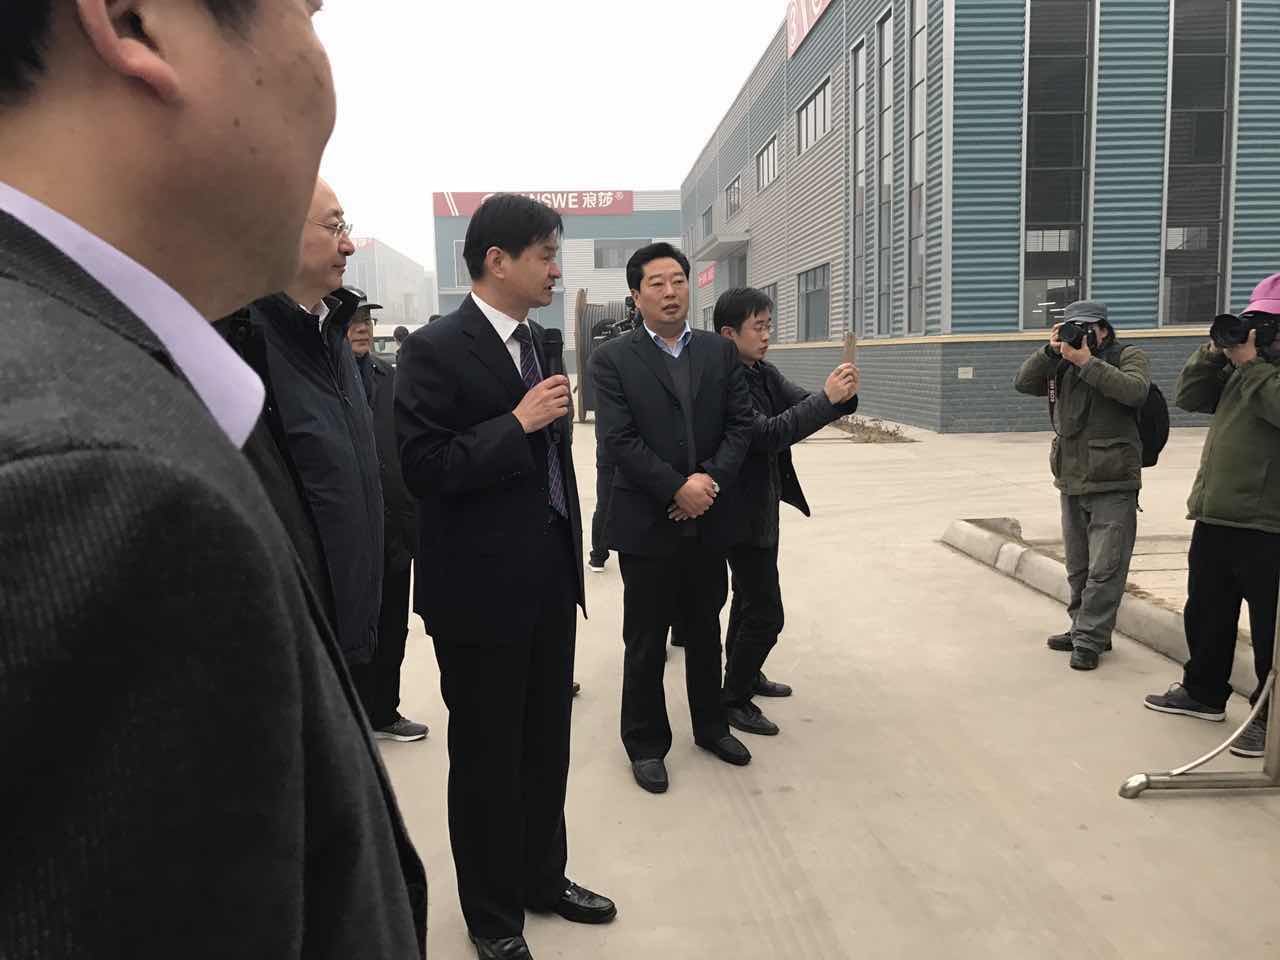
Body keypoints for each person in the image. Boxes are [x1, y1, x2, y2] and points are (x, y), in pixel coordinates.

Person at [0, 4, 426, 958]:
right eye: (306, 13)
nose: (323, 72)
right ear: (135, 23)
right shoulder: (90, 486)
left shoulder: (98, 373)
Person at [396, 194, 614, 960]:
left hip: (548, 576)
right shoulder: (434, 349)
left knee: (546, 746)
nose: (557, 270)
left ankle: (542, 879)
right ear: (497, 259)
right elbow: (422, 467)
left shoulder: (539, 344)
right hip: (478, 594)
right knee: (488, 758)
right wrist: (515, 424)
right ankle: (492, 915)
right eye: (546, 255)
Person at [591, 243, 755, 795]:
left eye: (678, 280)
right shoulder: (612, 360)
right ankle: (645, 743)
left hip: (709, 517)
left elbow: (741, 425)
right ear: (636, 296)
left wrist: (707, 482)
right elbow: (618, 440)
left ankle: (711, 727)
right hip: (647, 522)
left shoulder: (718, 352)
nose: (670, 292)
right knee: (645, 639)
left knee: (705, 630)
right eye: (656, 283)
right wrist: (676, 488)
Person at [232, 178, 385, 676]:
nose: (348, 245)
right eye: (335, 227)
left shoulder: (332, 335)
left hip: (349, 627)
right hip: (291, 641)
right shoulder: (242, 345)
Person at [714, 288, 860, 737]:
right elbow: (767, 435)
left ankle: (744, 673)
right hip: (738, 513)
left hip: (762, 506)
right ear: (729, 333)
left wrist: (840, 395)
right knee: (766, 614)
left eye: (768, 326)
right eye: (758, 327)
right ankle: (733, 699)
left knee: (747, 599)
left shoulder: (762, 372)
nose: (766, 336)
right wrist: (826, 400)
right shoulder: (727, 381)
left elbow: (802, 404)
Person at [1144, 275, 1280, 758]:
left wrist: (1253, 365)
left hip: (1268, 525)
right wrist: (1213, 353)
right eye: (1253, 321)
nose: (1256, 331)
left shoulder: (1260, 373)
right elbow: (1190, 397)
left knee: (1271, 630)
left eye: (1268, 323)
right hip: (1218, 515)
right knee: (1206, 612)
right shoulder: (1243, 369)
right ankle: (1203, 692)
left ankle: (1271, 717)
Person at [1014, 301, 1151, 671]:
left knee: (1106, 566)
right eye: (1073, 327)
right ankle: (1083, 629)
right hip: (1072, 477)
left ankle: (1090, 640)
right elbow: (1023, 383)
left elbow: (1135, 392)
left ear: (1104, 329)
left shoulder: (1127, 356)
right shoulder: (1063, 361)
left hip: (1113, 480)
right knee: (1078, 566)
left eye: (1088, 328)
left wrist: (1087, 362)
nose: (1081, 334)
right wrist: (1050, 351)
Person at [348, 302, 429, 742]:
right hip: (349, 529)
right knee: (353, 626)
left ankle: (384, 712)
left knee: (393, 623)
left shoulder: (389, 377)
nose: (361, 329)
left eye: (366, 321)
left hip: (395, 526)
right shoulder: (323, 377)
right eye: (352, 322)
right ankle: (350, 721)